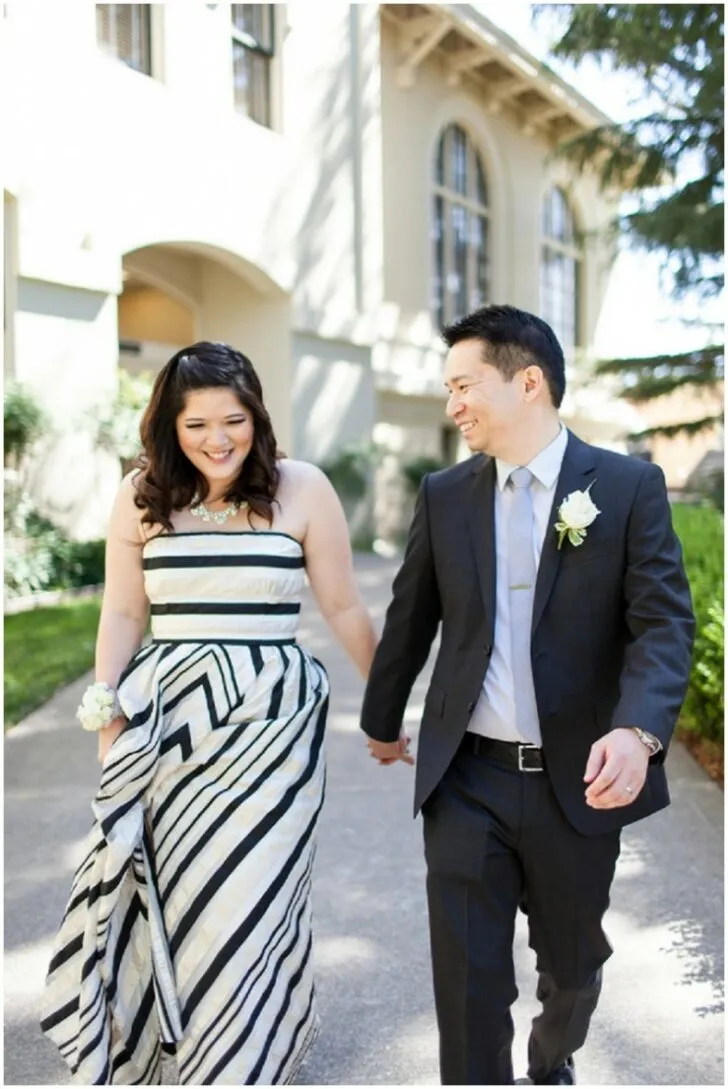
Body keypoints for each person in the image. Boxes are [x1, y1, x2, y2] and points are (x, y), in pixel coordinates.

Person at [360, 305, 695, 1085]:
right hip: (466, 777)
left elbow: (663, 625)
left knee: (574, 968)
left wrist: (638, 733)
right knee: (469, 985)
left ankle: (553, 1057)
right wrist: (383, 721)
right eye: (448, 389)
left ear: (530, 382)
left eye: (464, 384)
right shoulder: (445, 494)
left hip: (578, 780)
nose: (454, 405)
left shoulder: (626, 485)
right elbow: (411, 615)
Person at [41, 342, 378, 1085]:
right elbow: (123, 613)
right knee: (183, 895)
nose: (217, 439)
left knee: (255, 895)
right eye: (196, 424)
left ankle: (246, 1060)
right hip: (167, 726)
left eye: (234, 420)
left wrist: (387, 706)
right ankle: (187, 1057)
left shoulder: (304, 489)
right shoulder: (141, 494)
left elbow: (345, 603)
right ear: (169, 425)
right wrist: (108, 718)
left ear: (257, 416)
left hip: (274, 725)